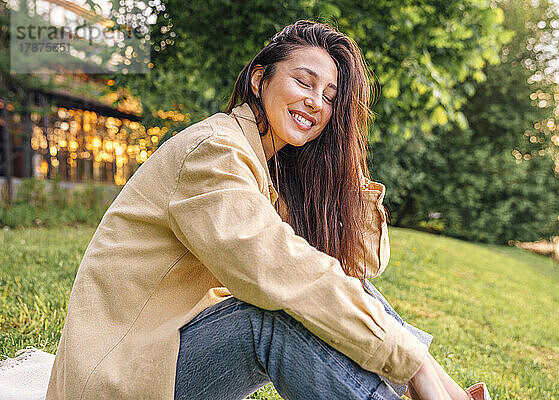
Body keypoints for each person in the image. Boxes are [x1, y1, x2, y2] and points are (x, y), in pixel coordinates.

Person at [46, 20, 490, 400]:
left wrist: (344, 161)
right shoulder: (214, 154)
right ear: (260, 79)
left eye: (332, 97)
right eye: (304, 82)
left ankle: (444, 391)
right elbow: (280, 272)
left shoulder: (266, 166)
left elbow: (361, 264)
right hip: (120, 374)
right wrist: (412, 364)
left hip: (162, 351)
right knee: (270, 314)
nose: (317, 102)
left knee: (338, 289)